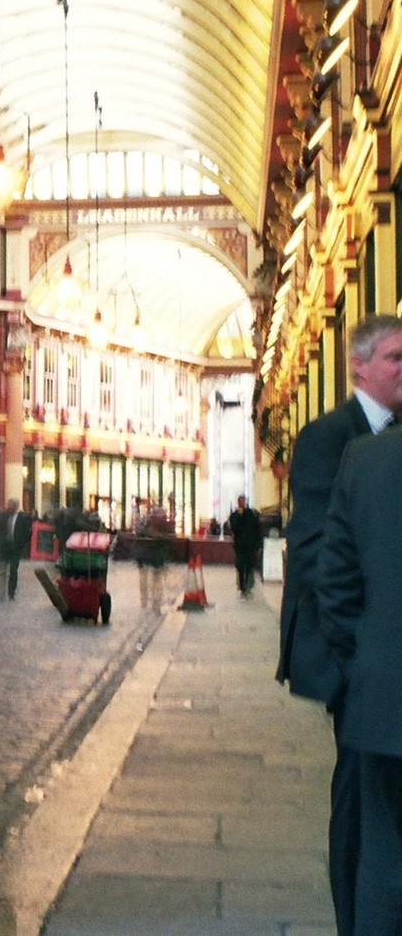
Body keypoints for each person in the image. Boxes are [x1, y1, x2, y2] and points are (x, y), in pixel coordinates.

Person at [278, 312, 402, 936]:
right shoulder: (330, 437)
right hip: (349, 658)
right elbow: (317, 555)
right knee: (359, 804)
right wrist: (355, 659)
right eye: (395, 359)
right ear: (359, 364)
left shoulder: (387, 441)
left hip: (375, 658)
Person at [313, 423, 402, 935]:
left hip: (385, 708)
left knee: (384, 864)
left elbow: (335, 584)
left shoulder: (365, 460)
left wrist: (366, 663)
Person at [132, 505, 175, 612]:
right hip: (151, 556)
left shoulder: (147, 524)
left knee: (150, 579)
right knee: (152, 579)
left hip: (150, 556)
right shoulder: (153, 525)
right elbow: (170, 539)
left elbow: (168, 538)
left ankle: (149, 601)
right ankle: (151, 602)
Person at [225, 495, 264, 596]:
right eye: (240, 501)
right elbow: (234, 528)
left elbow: (257, 529)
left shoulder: (251, 514)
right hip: (241, 546)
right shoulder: (235, 515)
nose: (242, 503)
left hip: (249, 546)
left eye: (243, 501)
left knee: (249, 565)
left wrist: (258, 543)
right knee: (241, 566)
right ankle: (242, 585)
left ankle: (246, 584)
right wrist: (239, 516)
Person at [0, 498, 32, 600]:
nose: (9, 507)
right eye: (8, 505)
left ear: (16, 506)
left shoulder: (22, 518)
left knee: (13, 570)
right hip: (4, 547)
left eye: (11, 505)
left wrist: (21, 543)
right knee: (2, 570)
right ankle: (0, 593)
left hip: (15, 548)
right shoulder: (3, 517)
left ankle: (11, 593)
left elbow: (28, 533)